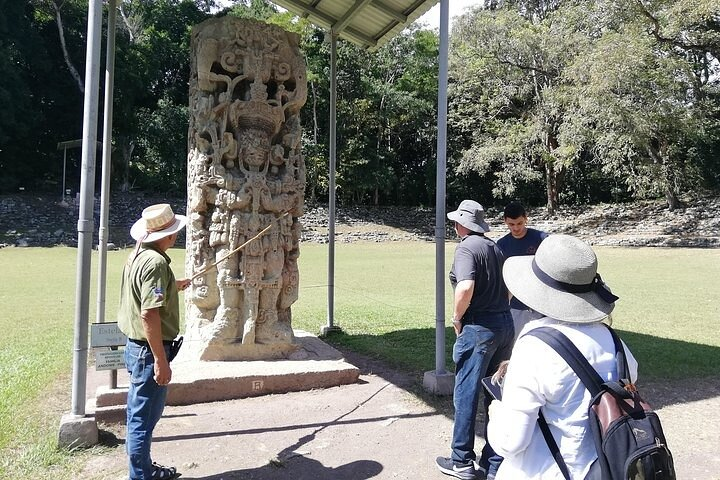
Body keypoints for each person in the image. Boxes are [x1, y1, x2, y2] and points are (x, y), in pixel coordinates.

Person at [487, 234, 638, 479]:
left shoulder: (535, 346)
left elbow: (511, 441)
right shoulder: (615, 342)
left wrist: (497, 413)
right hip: (604, 469)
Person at [436, 200, 514, 480]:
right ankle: (493, 462)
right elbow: (509, 290)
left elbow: (465, 286)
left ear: (462, 225)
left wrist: (458, 318)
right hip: (504, 324)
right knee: (496, 395)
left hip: (478, 326)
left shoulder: (467, 247)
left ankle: (461, 460)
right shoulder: (495, 247)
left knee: (466, 393)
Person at [118, 204, 191, 480]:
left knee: (141, 415)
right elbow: (149, 313)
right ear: (169, 236)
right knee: (142, 420)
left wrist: (174, 284)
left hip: (136, 348)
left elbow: (146, 292)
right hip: (149, 352)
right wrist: (161, 361)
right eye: (175, 232)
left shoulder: (138, 254)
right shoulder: (157, 263)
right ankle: (140, 476)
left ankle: (143, 469)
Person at [496, 202, 548, 341]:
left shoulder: (542, 239)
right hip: (516, 306)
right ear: (505, 221)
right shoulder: (501, 245)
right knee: (517, 343)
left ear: (526, 219)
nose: (516, 228)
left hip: (541, 304)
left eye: (519, 223)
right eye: (511, 224)